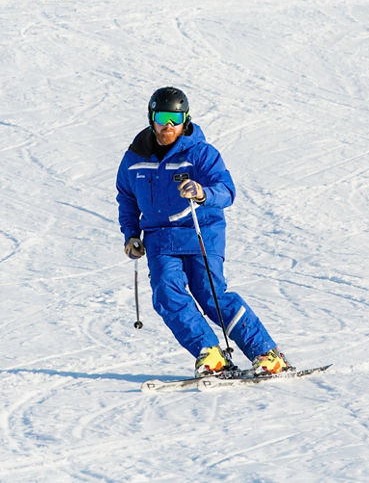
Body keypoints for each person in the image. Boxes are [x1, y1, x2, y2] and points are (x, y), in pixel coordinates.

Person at [115, 86, 290, 377]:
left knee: (210, 294)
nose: (168, 125)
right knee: (166, 294)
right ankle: (210, 354)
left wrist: (202, 192)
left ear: (186, 120)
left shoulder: (201, 153)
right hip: (159, 238)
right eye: (162, 116)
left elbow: (227, 191)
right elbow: (127, 197)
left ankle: (267, 354)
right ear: (151, 117)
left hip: (200, 231)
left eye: (175, 118)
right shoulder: (133, 159)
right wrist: (131, 233)